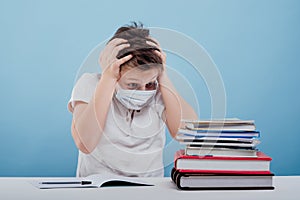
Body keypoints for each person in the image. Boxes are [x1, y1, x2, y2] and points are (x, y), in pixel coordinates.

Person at [68, 22, 197, 177]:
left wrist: (163, 76)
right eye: (133, 85)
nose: (143, 91)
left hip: (149, 189)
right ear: (115, 73)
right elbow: (85, 143)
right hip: (99, 188)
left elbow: (189, 133)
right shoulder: (91, 84)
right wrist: (108, 78)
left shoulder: (158, 91)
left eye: (149, 83)